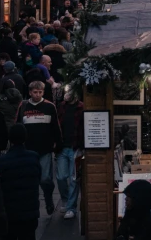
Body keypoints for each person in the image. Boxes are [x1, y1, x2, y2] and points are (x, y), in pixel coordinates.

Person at [16, 80, 61, 216]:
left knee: (45, 178)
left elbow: (55, 126)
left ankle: (48, 199)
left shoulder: (49, 106)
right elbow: (18, 126)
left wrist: (57, 142)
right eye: (35, 92)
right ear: (30, 92)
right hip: (28, 148)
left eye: (40, 92)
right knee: (31, 180)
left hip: (45, 148)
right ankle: (33, 205)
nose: (37, 95)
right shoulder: (23, 106)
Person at [0, 125, 42, 240]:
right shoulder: (34, 157)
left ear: (10, 139)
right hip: (30, 213)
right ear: (25, 138)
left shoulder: (0, 162)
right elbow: (38, 178)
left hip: (10, 214)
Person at [56, 90, 84, 219]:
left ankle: (71, 207)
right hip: (62, 146)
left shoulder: (81, 107)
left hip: (75, 146)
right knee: (61, 177)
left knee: (73, 178)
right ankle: (66, 200)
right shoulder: (61, 106)